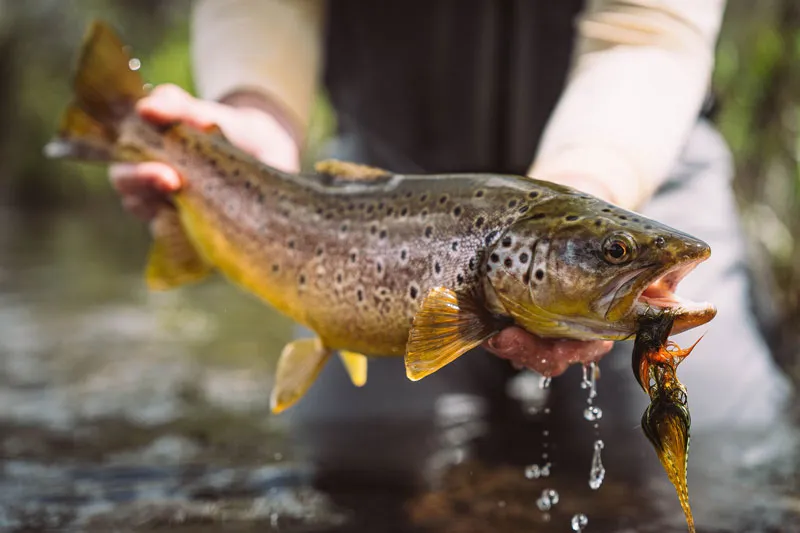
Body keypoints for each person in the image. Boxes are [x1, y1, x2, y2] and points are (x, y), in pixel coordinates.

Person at [111, 0, 792, 480]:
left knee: (717, 449)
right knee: (365, 457)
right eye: (615, 258)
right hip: (384, 200)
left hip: (634, 165)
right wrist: (254, 117)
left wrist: (595, 189)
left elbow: (646, 33)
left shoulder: (603, 220)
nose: (630, 267)